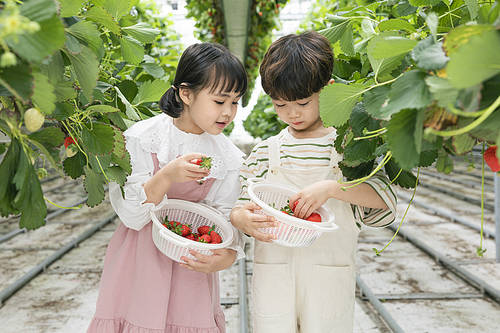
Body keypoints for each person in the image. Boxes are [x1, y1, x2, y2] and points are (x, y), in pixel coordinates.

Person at [230, 31, 398, 332]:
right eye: (280, 105)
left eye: (303, 102)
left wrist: (334, 188)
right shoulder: (264, 153)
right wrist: (242, 219)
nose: (292, 113)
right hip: (274, 276)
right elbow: (240, 207)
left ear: (328, 90)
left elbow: (385, 200)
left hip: (328, 279)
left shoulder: (349, 150)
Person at [88, 42, 247, 333]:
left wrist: (227, 254)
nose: (228, 112)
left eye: (235, 102)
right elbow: (133, 217)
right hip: (140, 260)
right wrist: (166, 176)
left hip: (190, 263)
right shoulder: (143, 138)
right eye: (219, 101)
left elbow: (225, 217)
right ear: (186, 93)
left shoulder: (228, 156)